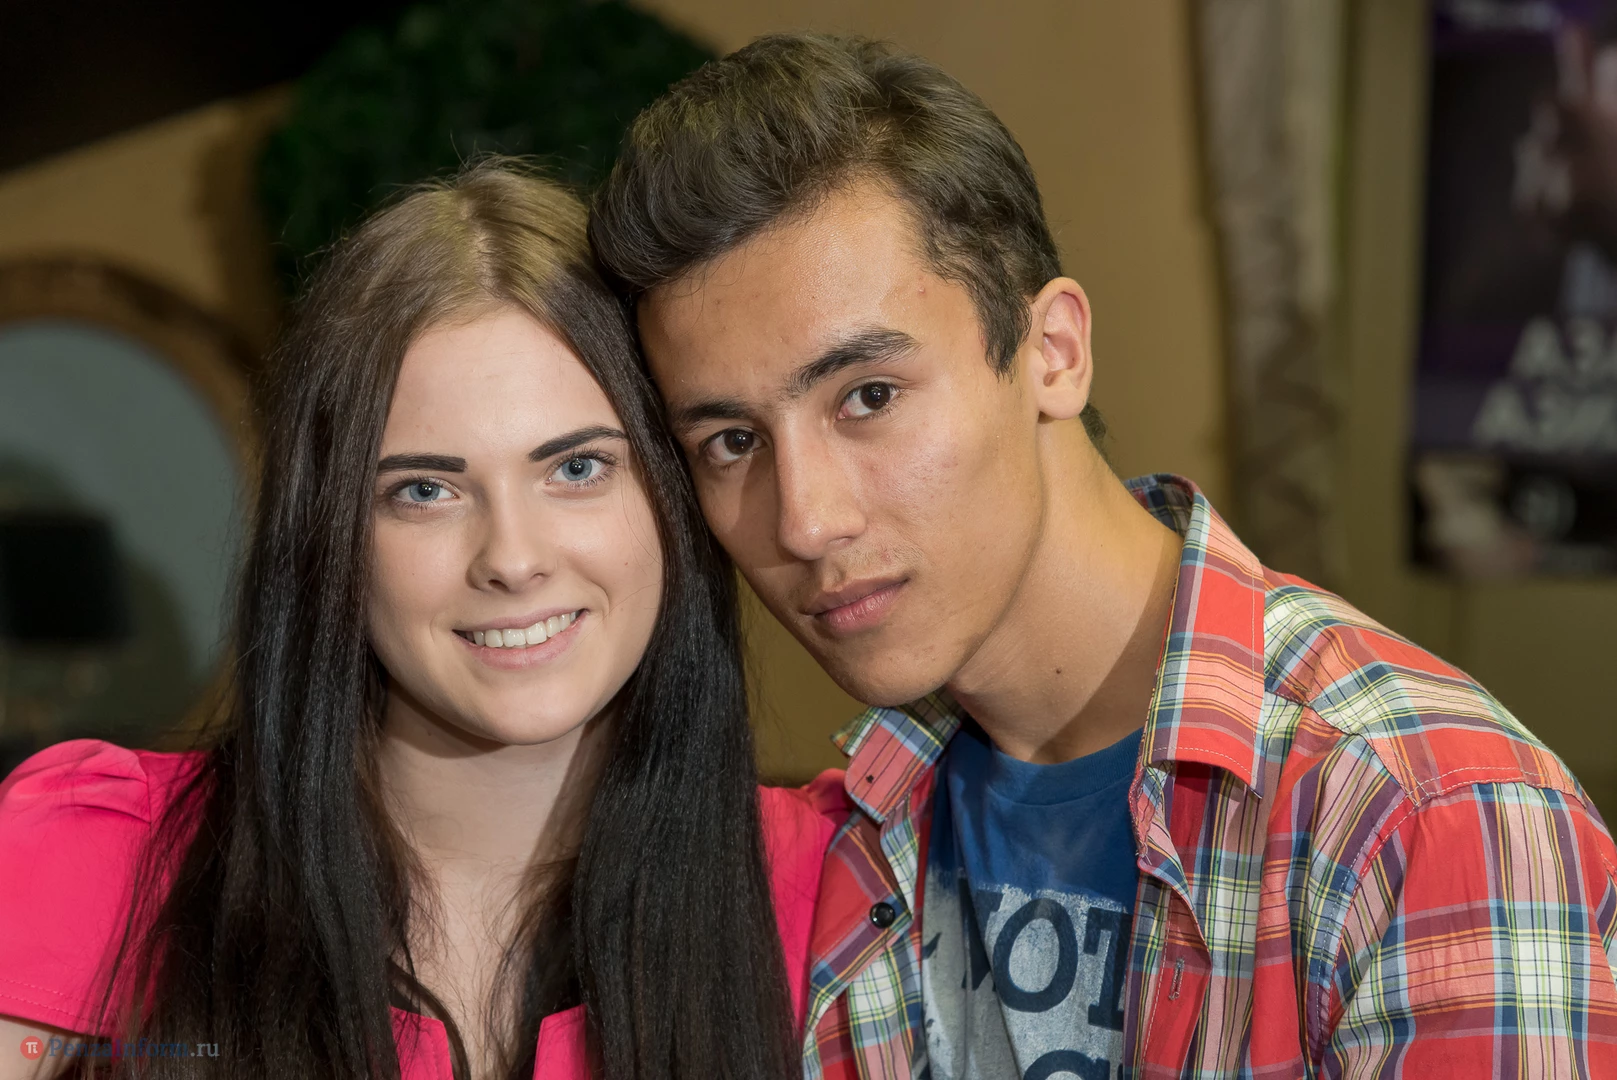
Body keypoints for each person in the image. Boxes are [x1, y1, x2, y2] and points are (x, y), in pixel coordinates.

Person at [588, 34, 1617, 1079]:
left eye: (869, 397)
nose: (803, 522)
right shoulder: (846, 832)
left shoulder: (1427, 808)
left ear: (1054, 352)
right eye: (731, 442)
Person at [0, 160, 837, 1080]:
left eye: (577, 469)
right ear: (329, 538)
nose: (511, 557)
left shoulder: (833, 891)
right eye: (425, 490)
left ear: (672, 498)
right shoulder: (98, 860)